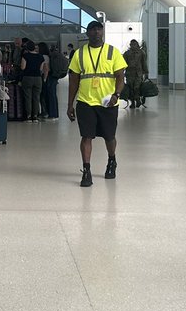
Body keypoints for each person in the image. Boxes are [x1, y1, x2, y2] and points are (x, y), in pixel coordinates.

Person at [67, 20, 127, 187]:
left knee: (109, 136)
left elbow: (120, 77)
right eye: (93, 29)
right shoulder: (79, 54)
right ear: (87, 33)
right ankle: (86, 171)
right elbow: (73, 81)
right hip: (85, 102)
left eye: (99, 29)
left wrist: (116, 94)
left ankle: (112, 160)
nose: (96, 32)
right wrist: (69, 104)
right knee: (86, 136)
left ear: (102, 32)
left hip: (108, 102)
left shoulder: (112, 52)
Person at [18, 39, 47, 122]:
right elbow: (41, 69)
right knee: (36, 97)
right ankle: (35, 116)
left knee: (28, 97)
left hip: (27, 77)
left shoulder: (26, 56)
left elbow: (23, 67)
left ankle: (28, 116)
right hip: (38, 78)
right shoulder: (40, 57)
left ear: (27, 48)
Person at [41, 42, 65, 120]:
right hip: (54, 76)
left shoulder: (46, 56)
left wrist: (44, 78)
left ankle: (52, 114)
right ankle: (54, 114)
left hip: (50, 76)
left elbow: (46, 68)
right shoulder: (52, 55)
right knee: (52, 95)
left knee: (51, 95)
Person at [123, 39, 146, 108]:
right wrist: (121, 72)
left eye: (134, 44)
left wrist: (146, 72)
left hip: (138, 73)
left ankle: (138, 99)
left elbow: (144, 63)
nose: (133, 46)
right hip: (129, 74)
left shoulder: (141, 53)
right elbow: (123, 64)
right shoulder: (127, 53)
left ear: (137, 45)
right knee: (130, 88)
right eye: (132, 44)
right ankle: (132, 102)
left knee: (137, 87)